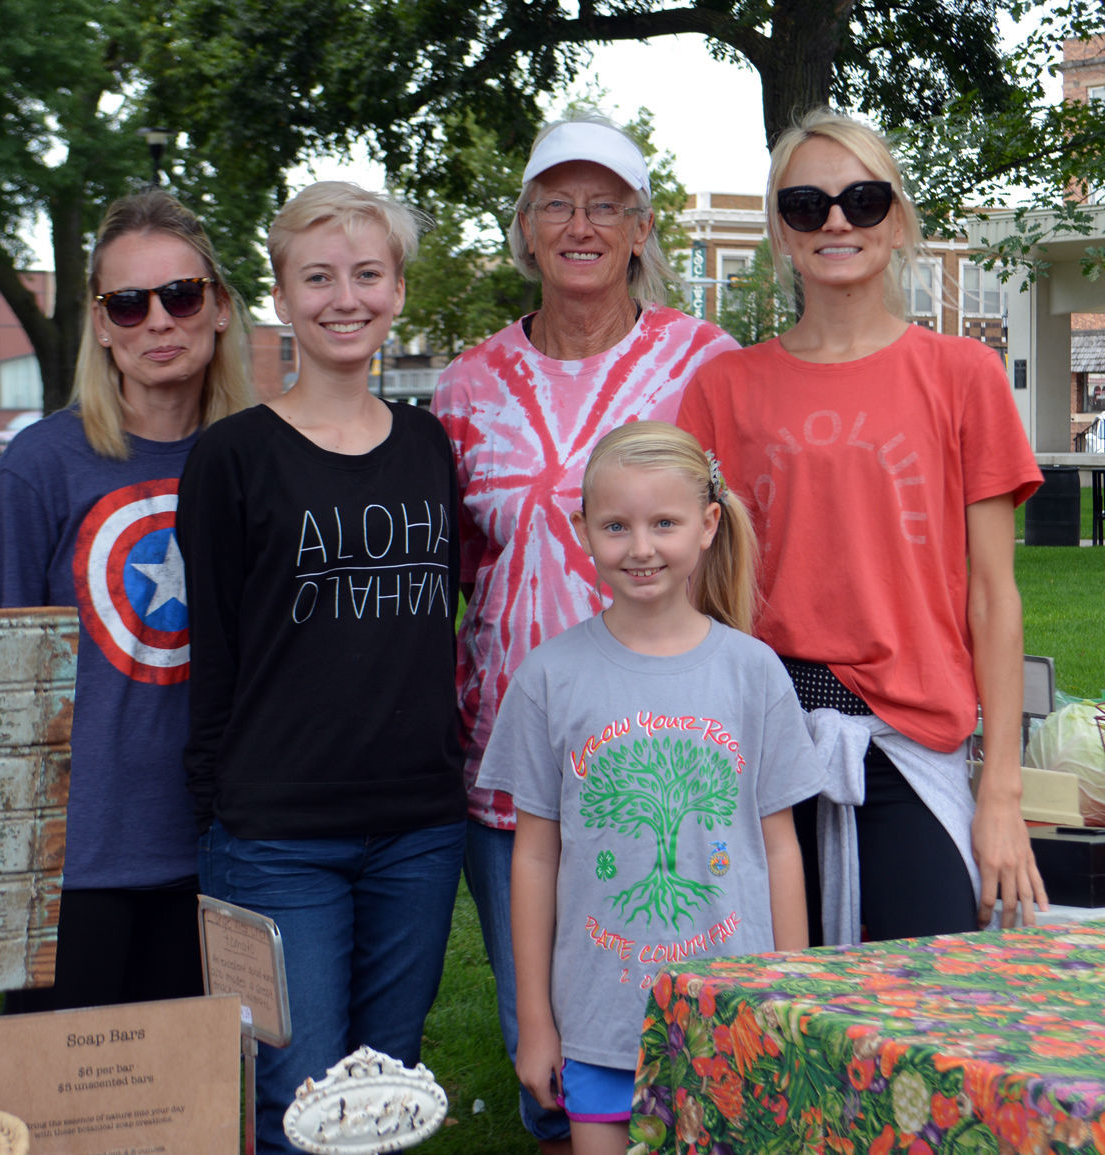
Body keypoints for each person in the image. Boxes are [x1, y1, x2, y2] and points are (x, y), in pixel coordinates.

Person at [430, 112, 738, 1152]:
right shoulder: (468, 387)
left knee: (697, 1029)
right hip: (518, 761)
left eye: (604, 204)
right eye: (555, 203)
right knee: (553, 1046)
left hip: (672, 746)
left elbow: (737, 543)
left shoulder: (704, 364)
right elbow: (456, 575)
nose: (580, 224)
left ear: (642, 227)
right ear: (523, 228)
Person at [678, 107, 1048, 946]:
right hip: (767, 743)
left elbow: (994, 595)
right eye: (808, 203)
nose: (837, 220)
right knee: (778, 1024)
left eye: (863, 199)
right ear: (781, 228)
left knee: (935, 1009)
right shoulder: (725, 387)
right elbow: (697, 591)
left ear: (898, 218)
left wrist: (1001, 794)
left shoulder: (962, 375)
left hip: (912, 744)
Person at [177, 182, 466, 1154]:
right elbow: (213, 651)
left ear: (397, 288)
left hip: (418, 832)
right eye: (319, 277)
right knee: (298, 1106)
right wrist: (217, 813)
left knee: (385, 1100)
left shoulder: (432, 447)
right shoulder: (232, 457)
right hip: (277, 836)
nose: (347, 298)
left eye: (368, 274)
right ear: (282, 294)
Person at [477, 421, 819, 1155]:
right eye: (616, 525)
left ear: (707, 525)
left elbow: (781, 848)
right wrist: (536, 1019)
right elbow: (533, 859)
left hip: (739, 1013)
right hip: (600, 1019)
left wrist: (796, 995)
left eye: (663, 522)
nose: (640, 547)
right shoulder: (549, 677)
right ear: (582, 532)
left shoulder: (754, 672)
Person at [0, 187, 253, 1010]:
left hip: (221, 851)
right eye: (128, 303)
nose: (157, 320)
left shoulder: (259, 458)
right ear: (99, 323)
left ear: (221, 308)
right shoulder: (40, 466)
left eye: (181, 295)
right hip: (72, 861)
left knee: (191, 1118)